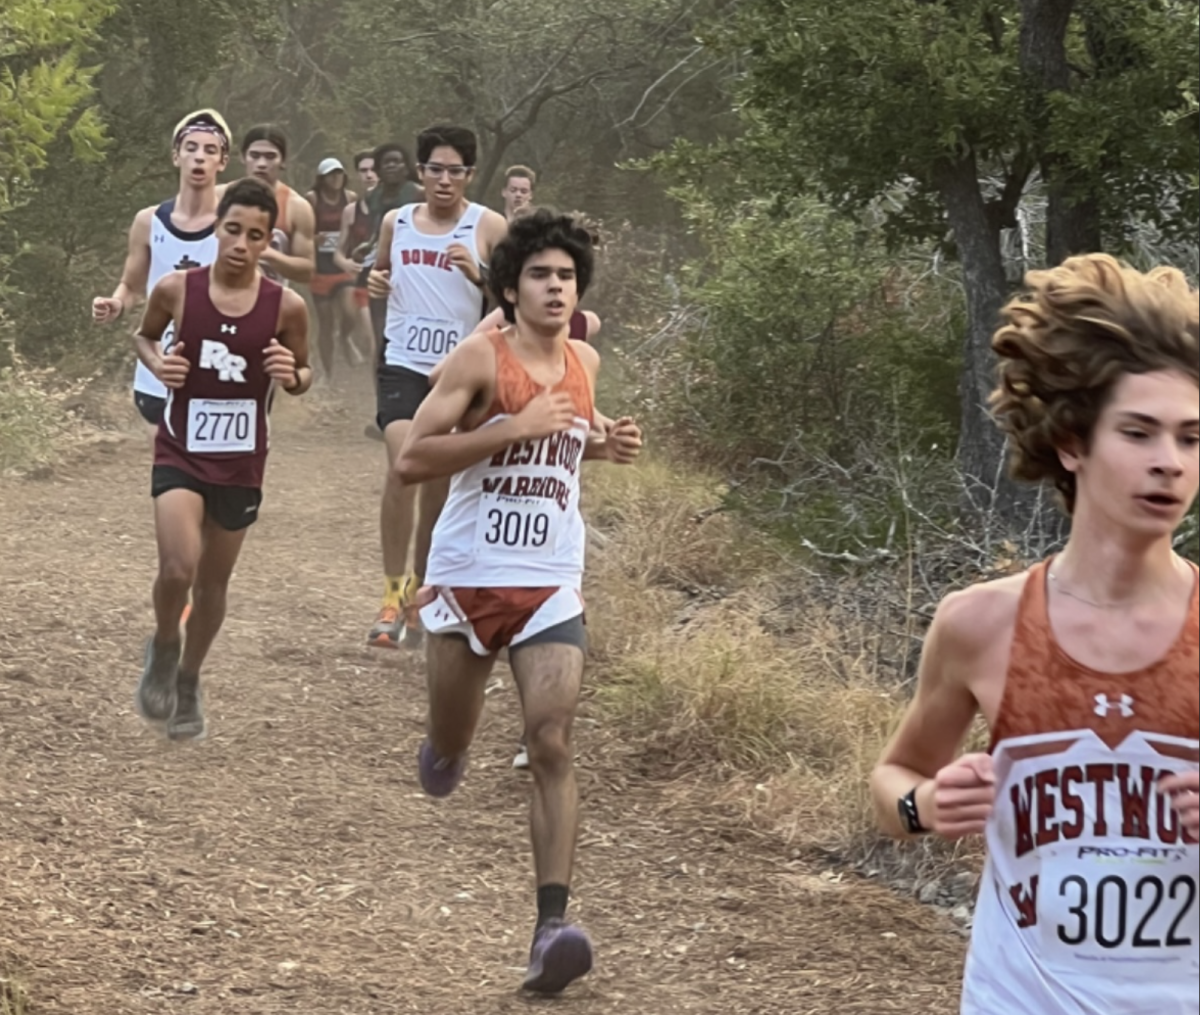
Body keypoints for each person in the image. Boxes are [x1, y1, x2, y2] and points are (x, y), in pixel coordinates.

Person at [870, 254, 1199, 1015]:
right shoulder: (981, 623)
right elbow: (894, 779)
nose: (1169, 464)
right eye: (1141, 432)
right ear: (1072, 441)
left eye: (1191, 438)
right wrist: (926, 804)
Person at [394, 209, 643, 994]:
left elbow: (571, 434)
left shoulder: (584, 361)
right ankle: (444, 747)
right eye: (540, 274)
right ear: (509, 287)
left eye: (566, 275)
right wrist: (511, 426)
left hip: (548, 578)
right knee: (451, 742)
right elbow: (413, 458)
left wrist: (605, 443)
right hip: (469, 576)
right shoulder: (478, 357)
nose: (556, 287)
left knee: (553, 740)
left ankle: (551, 927)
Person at [132, 178, 311, 741]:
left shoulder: (288, 305)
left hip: (241, 461)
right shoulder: (177, 289)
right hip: (180, 448)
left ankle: (188, 679)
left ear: (267, 241)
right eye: (232, 230)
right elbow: (144, 338)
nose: (240, 243)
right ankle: (165, 643)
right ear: (217, 228)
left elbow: (304, 373)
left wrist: (293, 374)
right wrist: (159, 365)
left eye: (255, 235)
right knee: (178, 567)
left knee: (212, 586)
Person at [364, 124, 507, 649]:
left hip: (458, 373)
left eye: (455, 171)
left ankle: (420, 598)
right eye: (435, 170)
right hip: (402, 364)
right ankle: (390, 593)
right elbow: (379, 280)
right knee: (404, 467)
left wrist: (481, 275)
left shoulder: (488, 226)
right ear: (420, 172)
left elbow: (515, 299)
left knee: (439, 492)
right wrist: (375, 283)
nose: (444, 181)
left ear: (470, 175)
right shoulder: (395, 222)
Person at [93, 109, 231, 432]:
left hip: (219, 364)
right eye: (191, 148)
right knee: (169, 463)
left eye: (210, 150)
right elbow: (131, 285)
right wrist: (116, 303)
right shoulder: (148, 222)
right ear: (176, 156)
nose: (199, 158)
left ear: (222, 162)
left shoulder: (234, 225)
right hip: (159, 366)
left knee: (207, 470)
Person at [306, 157, 365, 377]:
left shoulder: (350, 198)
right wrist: (313, 239)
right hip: (320, 269)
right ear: (322, 178)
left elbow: (359, 227)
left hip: (343, 266)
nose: (336, 178)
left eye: (339, 173)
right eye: (331, 174)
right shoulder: (312, 199)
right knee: (325, 324)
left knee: (351, 311)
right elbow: (302, 232)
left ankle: (345, 336)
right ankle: (328, 372)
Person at [237, 124, 316, 286]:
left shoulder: (297, 207)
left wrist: (269, 254)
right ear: (242, 157)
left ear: (283, 161)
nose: (262, 164)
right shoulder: (219, 197)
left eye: (270, 157)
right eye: (254, 155)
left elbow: (307, 271)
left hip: (271, 302)